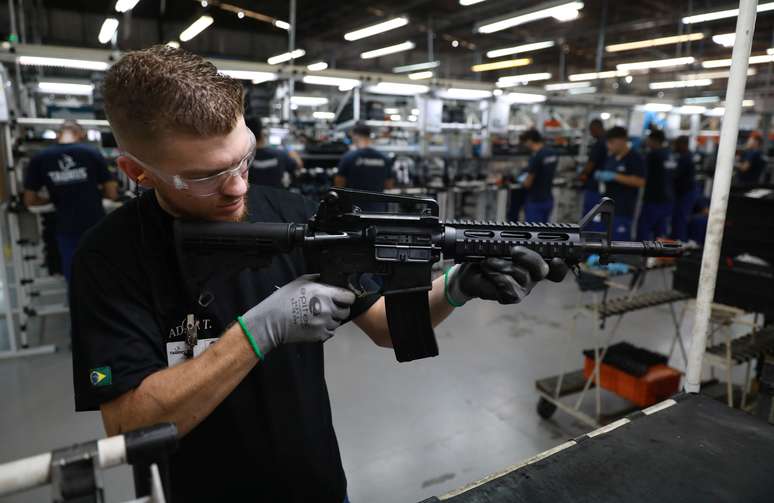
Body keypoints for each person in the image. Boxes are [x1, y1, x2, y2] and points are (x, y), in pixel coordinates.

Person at [70, 46, 567, 503]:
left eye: (244, 159)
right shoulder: (109, 257)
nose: (237, 187)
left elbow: (386, 325)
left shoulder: (295, 213)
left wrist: (457, 286)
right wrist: (257, 332)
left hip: (318, 485)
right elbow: (128, 426)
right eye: (205, 176)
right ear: (138, 172)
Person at [23, 120, 118, 283]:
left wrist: (55, 199)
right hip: (96, 225)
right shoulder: (91, 153)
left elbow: (30, 200)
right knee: (105, 276)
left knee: (75, 279)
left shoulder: (40, 158)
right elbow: (112, 193)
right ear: (81, 134)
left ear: (58, 134)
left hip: (65, 228)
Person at [594, 126, 646, 240]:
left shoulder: (635, 158)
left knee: (618, 244)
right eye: (608, 143)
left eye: (611, 142)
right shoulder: (611, 157)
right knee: (601, 242)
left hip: (623, 211)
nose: (609, 146)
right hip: (606, 208)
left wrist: (615, 176)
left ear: (622, 140)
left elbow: (640, 182)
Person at [637, 129, 675, 241]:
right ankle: (659, 252)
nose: (647, 142)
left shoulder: (652, 155)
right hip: (668, 198)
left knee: (644, 230)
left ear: (654, 140)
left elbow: (643, 176)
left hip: (653, 199)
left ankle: (642, 251)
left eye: (648, 139)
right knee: (661, 233)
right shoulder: (669, 154)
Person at [333, 123, 395, 192]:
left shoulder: (348, 157)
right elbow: (389, 185)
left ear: (355, 136)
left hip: (354, 198)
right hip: (377, 198)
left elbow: (339, 185)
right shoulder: (384, 158)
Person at [244, 117, 297, 188]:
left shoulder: (242, 160)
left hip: (252, 194)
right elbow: (298, 165)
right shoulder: (280, 154)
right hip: (276, 194)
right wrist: (289, 148)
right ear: (262, 134)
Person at [519, 129, 557, 222]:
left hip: (535, 202)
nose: (525, 146)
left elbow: (528, 183)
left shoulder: (536, 157)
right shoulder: (552, 153)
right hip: (548, 200)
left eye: (525, 143)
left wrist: (520, 180)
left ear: (529, 141)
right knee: (543, 229)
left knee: (533, 230)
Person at [577, 118, 607, 216]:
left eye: (591, 130)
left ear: (596, 128)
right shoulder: (607, 142)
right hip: (603, 186)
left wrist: (582, 175)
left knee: (590, 214)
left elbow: (591, 164)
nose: (591, 133)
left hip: (594, 186)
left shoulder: (599, 144)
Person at [671, 136, 697, 241]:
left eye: (677, 144)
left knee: (680, 220)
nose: (675, 147)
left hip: (685, 194)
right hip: (685, 193)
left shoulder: (685, 158)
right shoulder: (686, 156)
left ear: (683, 145)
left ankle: (680, 243)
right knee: (679, 219)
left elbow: (676, 175)